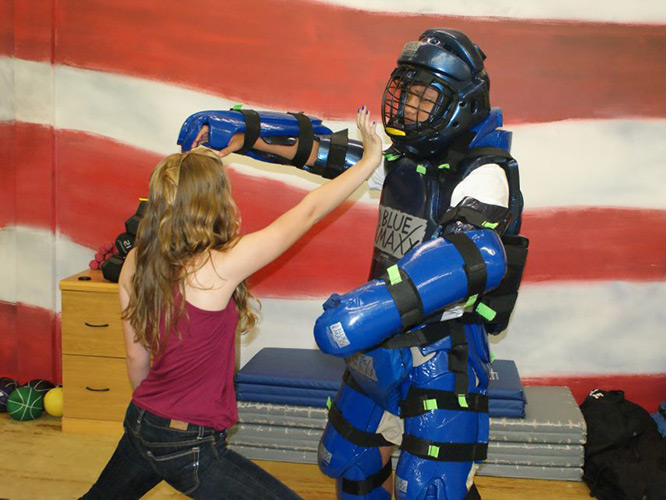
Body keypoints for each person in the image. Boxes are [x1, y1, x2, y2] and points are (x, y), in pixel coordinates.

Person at [177, 28, 528, 500]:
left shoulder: (485, 171)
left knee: (430, 489)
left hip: (442, 352)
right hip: (382, 344)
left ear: (459, 105)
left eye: (425, 99)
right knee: (350, 461)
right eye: (408, 95)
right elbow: (327, 152)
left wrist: (371, 307)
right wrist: (246, 132)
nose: (410, 108)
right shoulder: (406, 157)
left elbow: (477, 252)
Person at [78, 108, 383, 500]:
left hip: (143, 422)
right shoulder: (217, 268)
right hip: (188, 445)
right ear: (214, 203)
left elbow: (137, 359)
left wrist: (158, 411)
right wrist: (370, 160)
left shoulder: (136, 260)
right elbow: (307, 212)